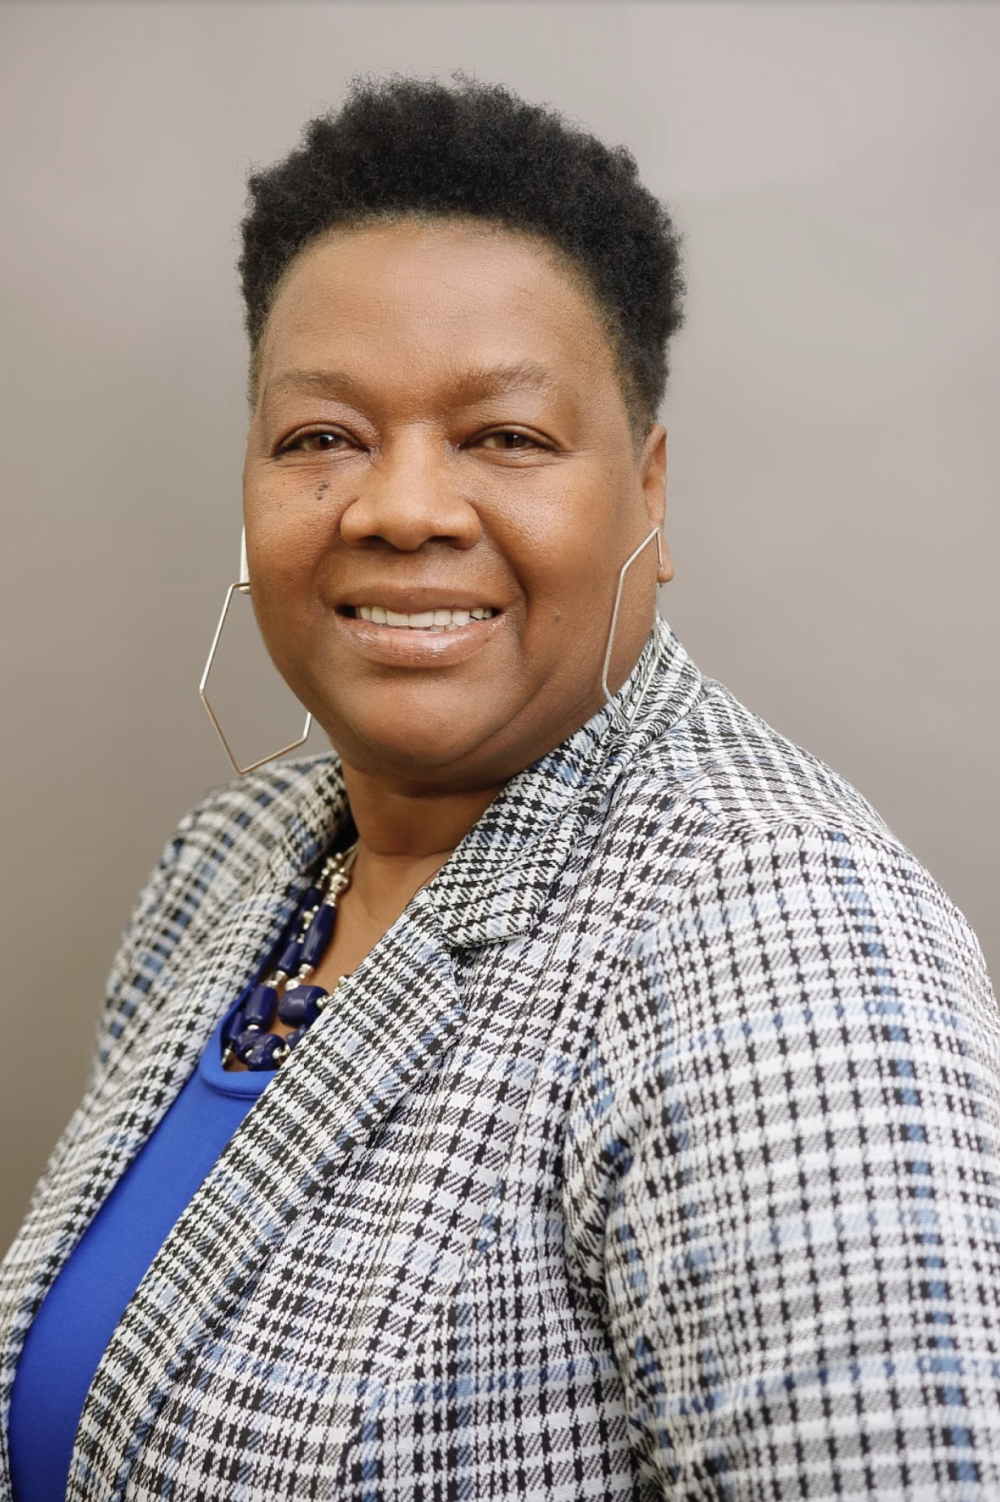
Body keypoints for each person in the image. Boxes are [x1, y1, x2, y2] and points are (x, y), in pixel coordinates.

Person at [1, 75, 997, 1502]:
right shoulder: (224, 862)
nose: (400, 507)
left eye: (505, 436)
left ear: (650, 494)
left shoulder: (772, 930)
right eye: (322, 437)